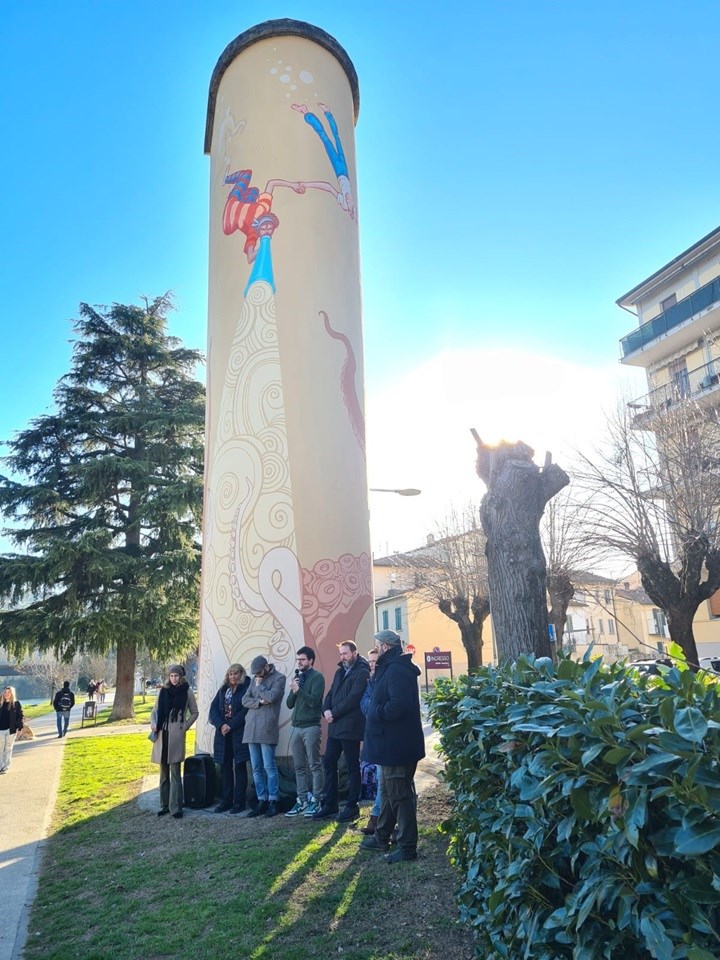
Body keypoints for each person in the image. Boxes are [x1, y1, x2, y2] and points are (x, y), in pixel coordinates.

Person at [360, 630, 425, 863]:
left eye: (376, 646)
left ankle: (408, 847)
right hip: (390, 745)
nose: (375, 650)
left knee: (400, 796)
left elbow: (399, 706)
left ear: (386, 647)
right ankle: (382, 836)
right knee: (388, 793)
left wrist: (373, 712)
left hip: (397, 746)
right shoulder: (390, 667)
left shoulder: (397, 669)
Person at [313, 641, 369, 823]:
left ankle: (352, 806)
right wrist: (326, 710)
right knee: (329, 761)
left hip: (350, 726)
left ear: (354, 652)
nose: (342, 657)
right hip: (335, 726)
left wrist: (334, 712)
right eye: (340, 654)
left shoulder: (362, 671)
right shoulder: (340, 671)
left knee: (352, 766)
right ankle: (330, 804)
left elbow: (354, 698)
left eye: (345, 653)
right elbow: (330, 694)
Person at [150, 665, 199, 819]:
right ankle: (164, 805)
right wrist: (153, 722)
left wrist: (184, 727)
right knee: (163, 772)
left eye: (176, 676)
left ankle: (176, 807)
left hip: (176, 734)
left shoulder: (187, 691)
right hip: (162, 733)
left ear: (181, 677)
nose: (173, 679)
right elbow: (155, 711)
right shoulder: (163, 691)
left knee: (175, 771)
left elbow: (195, 712)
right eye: (171, 676)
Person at [242, 655, 286, 818]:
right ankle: (262, 799)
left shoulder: (279, 678)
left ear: (266, 666)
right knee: (256, 768)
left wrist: (260, 688)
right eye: (255, 674)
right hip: (251, 727)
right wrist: (259, 702)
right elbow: (244, 700)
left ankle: (273, 800)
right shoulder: (254, 679)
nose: (257, 676)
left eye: (259, 672)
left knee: (269, 766)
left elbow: (273, 697)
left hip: (267, 727)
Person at [285, 646, 325, 818]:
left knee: (314, 765)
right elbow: (289, 704)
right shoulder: (298, 678)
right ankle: (302, 800)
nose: (299, 662)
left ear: (310, 660)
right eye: (298, 659)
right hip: (296, 727)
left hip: (310, 727)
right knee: (299, 766)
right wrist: (295, 688)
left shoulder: (317, 678)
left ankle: (317, 800)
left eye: (302, 659)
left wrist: (298, 690)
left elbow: (314, 702)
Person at [209, 663, 251, 814]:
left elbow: (245, 711)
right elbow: (213, 708)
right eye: (230, 674)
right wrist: (221, 725)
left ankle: (239, 803)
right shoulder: (223, 690)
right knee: (225, 768)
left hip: (238, 733)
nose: (233, 677)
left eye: (235, 674)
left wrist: (230, 725)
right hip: (223, 735)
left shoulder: (246, 689)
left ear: (241, 674)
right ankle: (226, 801)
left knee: (239, 767)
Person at [359, 648, 381, 834]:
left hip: (386, 738)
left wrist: (372, 708)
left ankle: (375, 819)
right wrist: (372, 708)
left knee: (384, 780)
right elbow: (364, 703)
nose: (372, 664)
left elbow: (376, 705)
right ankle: (378, 819)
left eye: (375, 661)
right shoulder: (370, 681)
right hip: (372, 735)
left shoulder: (384, 680)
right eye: (370, 662)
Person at [0, 686, 24, 773]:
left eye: (9, 692)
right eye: (5, 692)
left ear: (12, 693)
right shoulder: (0, 703)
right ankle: (1, 766)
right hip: (0, 730)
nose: (7, 694)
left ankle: (6, 767)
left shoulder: (16, 704)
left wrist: (20, 727)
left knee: (8, 748)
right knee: (0, 748)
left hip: (11, 730)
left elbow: (20, 716)